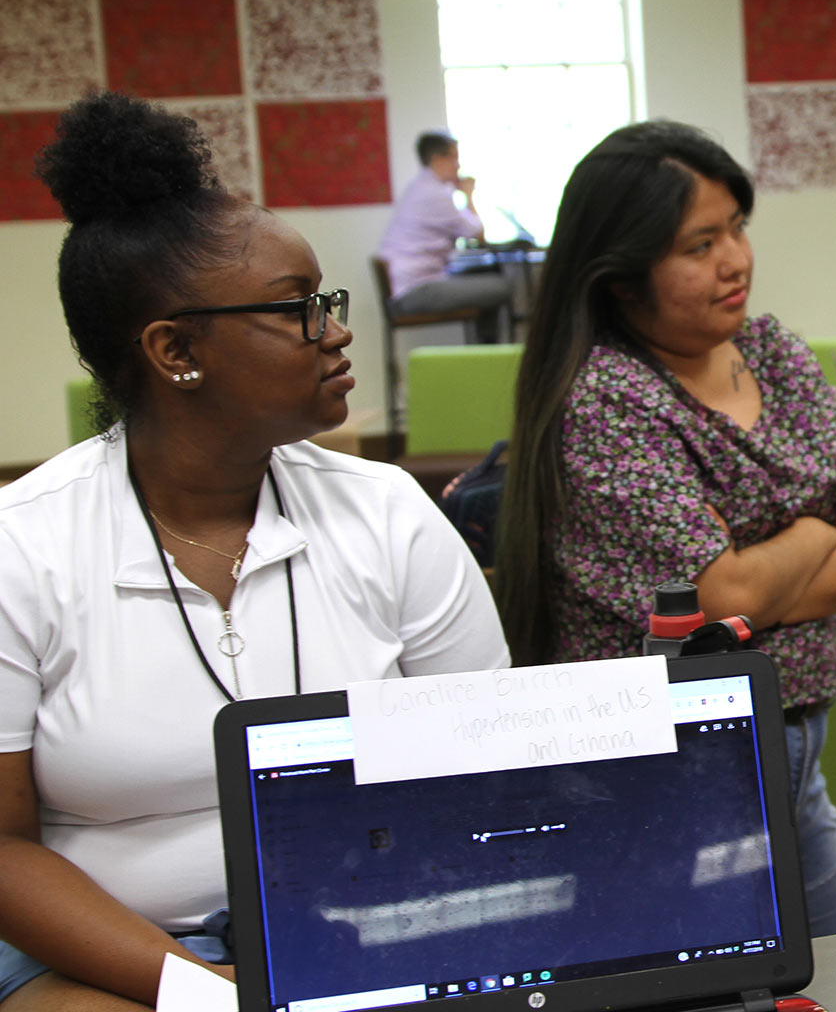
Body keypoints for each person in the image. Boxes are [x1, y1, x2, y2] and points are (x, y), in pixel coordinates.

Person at [0, 93, 508, 1009]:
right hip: (109, 949)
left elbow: (484, 773)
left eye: (328, 301)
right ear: (175, 350)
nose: (338, 330)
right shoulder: (24, 546)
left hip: (370, 919)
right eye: (297, 308)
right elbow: (2, 851)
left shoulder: (387, 512)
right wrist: (210, 992)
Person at [495, 120, 836, 937]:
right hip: (677, 765)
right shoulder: (609, 401)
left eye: (738, 229)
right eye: (698, 244)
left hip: (791, 740)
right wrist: (818, 529)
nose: (735, 260)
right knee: (725, 977)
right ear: (620, 275)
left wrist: (760, 563)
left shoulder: (770, 348)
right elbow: (720, 597)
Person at [376, 130, 514, 342]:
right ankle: (488, 353)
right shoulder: (436, 194)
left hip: (409, 284)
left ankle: (483, 352)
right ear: (437, 159)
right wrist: (468, 195)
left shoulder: (421, 187)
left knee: (483, 279)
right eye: (454, 157)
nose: (458, 165)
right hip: (414, 290)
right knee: (501, 286)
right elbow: (477, 234)